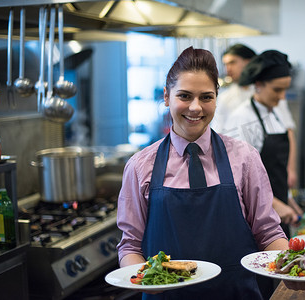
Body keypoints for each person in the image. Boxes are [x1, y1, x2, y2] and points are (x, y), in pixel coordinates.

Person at [116, 46, 291, 300]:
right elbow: (131, 244)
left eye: (206, 97)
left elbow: (268, 232)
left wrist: (290, 270)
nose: (196, 107)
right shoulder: (140, 165)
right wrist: (143, 280)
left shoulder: (245, 158)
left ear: (216, 99)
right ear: (167, 96)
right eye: (185, 96)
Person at [223, 50, 303, 240]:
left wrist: (287, 199)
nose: (282, 97)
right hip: (256, 218)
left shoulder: (274, 112)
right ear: (258, 85)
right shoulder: (242, 119)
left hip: (278, 209)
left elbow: (273, 172)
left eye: (285, 89)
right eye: (277, 90)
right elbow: (238, 178)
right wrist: (274, 204)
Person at [211, 44, 256, 133]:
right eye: (225, 64)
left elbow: (287, 125)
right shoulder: (224, 98)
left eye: (232, 62)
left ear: (248, 62)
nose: (228, 69)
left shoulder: (265, 92)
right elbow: (217, 132)